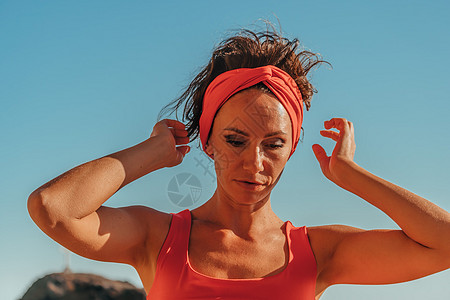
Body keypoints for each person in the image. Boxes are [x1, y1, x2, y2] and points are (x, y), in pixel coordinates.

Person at [27, 26, 450, 300]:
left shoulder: (318, 252)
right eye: (234, 139)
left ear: (292, 149)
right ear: (208, 142)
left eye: (274, 143)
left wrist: (353, 176)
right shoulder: (158, 238)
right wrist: (150, 153)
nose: (254, 161)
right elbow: (52, 207)